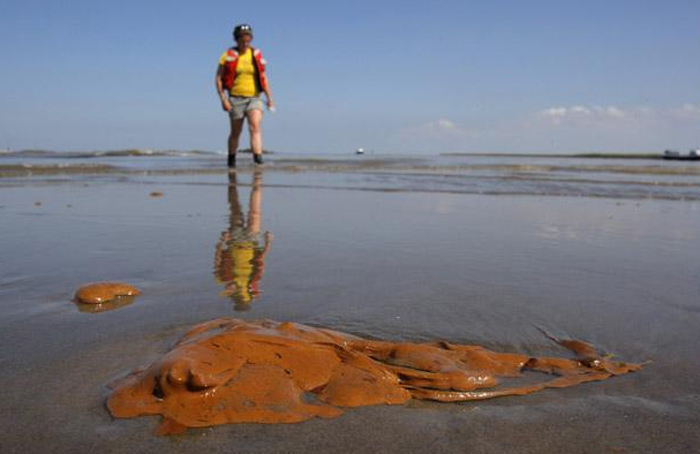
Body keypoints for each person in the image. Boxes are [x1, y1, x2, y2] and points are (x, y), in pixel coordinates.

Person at [215, 24, 274, 168]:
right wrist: (223, 99)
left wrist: (270, 98)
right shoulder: (227, 55)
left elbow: (263, 78)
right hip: (235, 98)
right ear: (236, 40)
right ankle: (231, 161)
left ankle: (258, 160)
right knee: (236, 132)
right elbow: (218, 78)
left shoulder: (255, 54)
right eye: (242, 40)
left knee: (255, 127)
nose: (245, 43)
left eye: (248, 40)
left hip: (254, 97)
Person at [213, 171, 273, 310]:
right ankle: (257, 183)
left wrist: (221, 242)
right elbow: (260, 262)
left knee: (235, 210)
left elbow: (217, 260)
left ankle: (232, 184)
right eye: (244, 295)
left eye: (240, 296)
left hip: (234, 241)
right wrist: (268, 242)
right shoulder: (253, 282)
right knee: (255, 213)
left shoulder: (224, 280)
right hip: (252, 242)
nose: (240, 292)